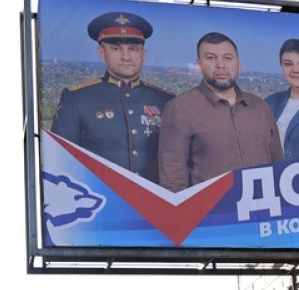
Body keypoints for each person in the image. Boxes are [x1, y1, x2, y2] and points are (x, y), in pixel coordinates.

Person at [50, 11, 174, 183]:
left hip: (155, 202)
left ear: (143, 54)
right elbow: (59, 160)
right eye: (116, 49)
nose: (126, 56)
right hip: (100, 200)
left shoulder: (166, 101)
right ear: (102, 53)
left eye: (133, 49)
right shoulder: (77, 98)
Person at [158, 32, 284, 192]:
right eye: (211, 58)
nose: (221, 65)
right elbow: (172, 181)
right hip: (210, 213)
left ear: (238, 64)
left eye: (227, 58)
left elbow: (278, 166)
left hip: (262, 210)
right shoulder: (180, 108)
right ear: (199, 64)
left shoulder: (260, 108)